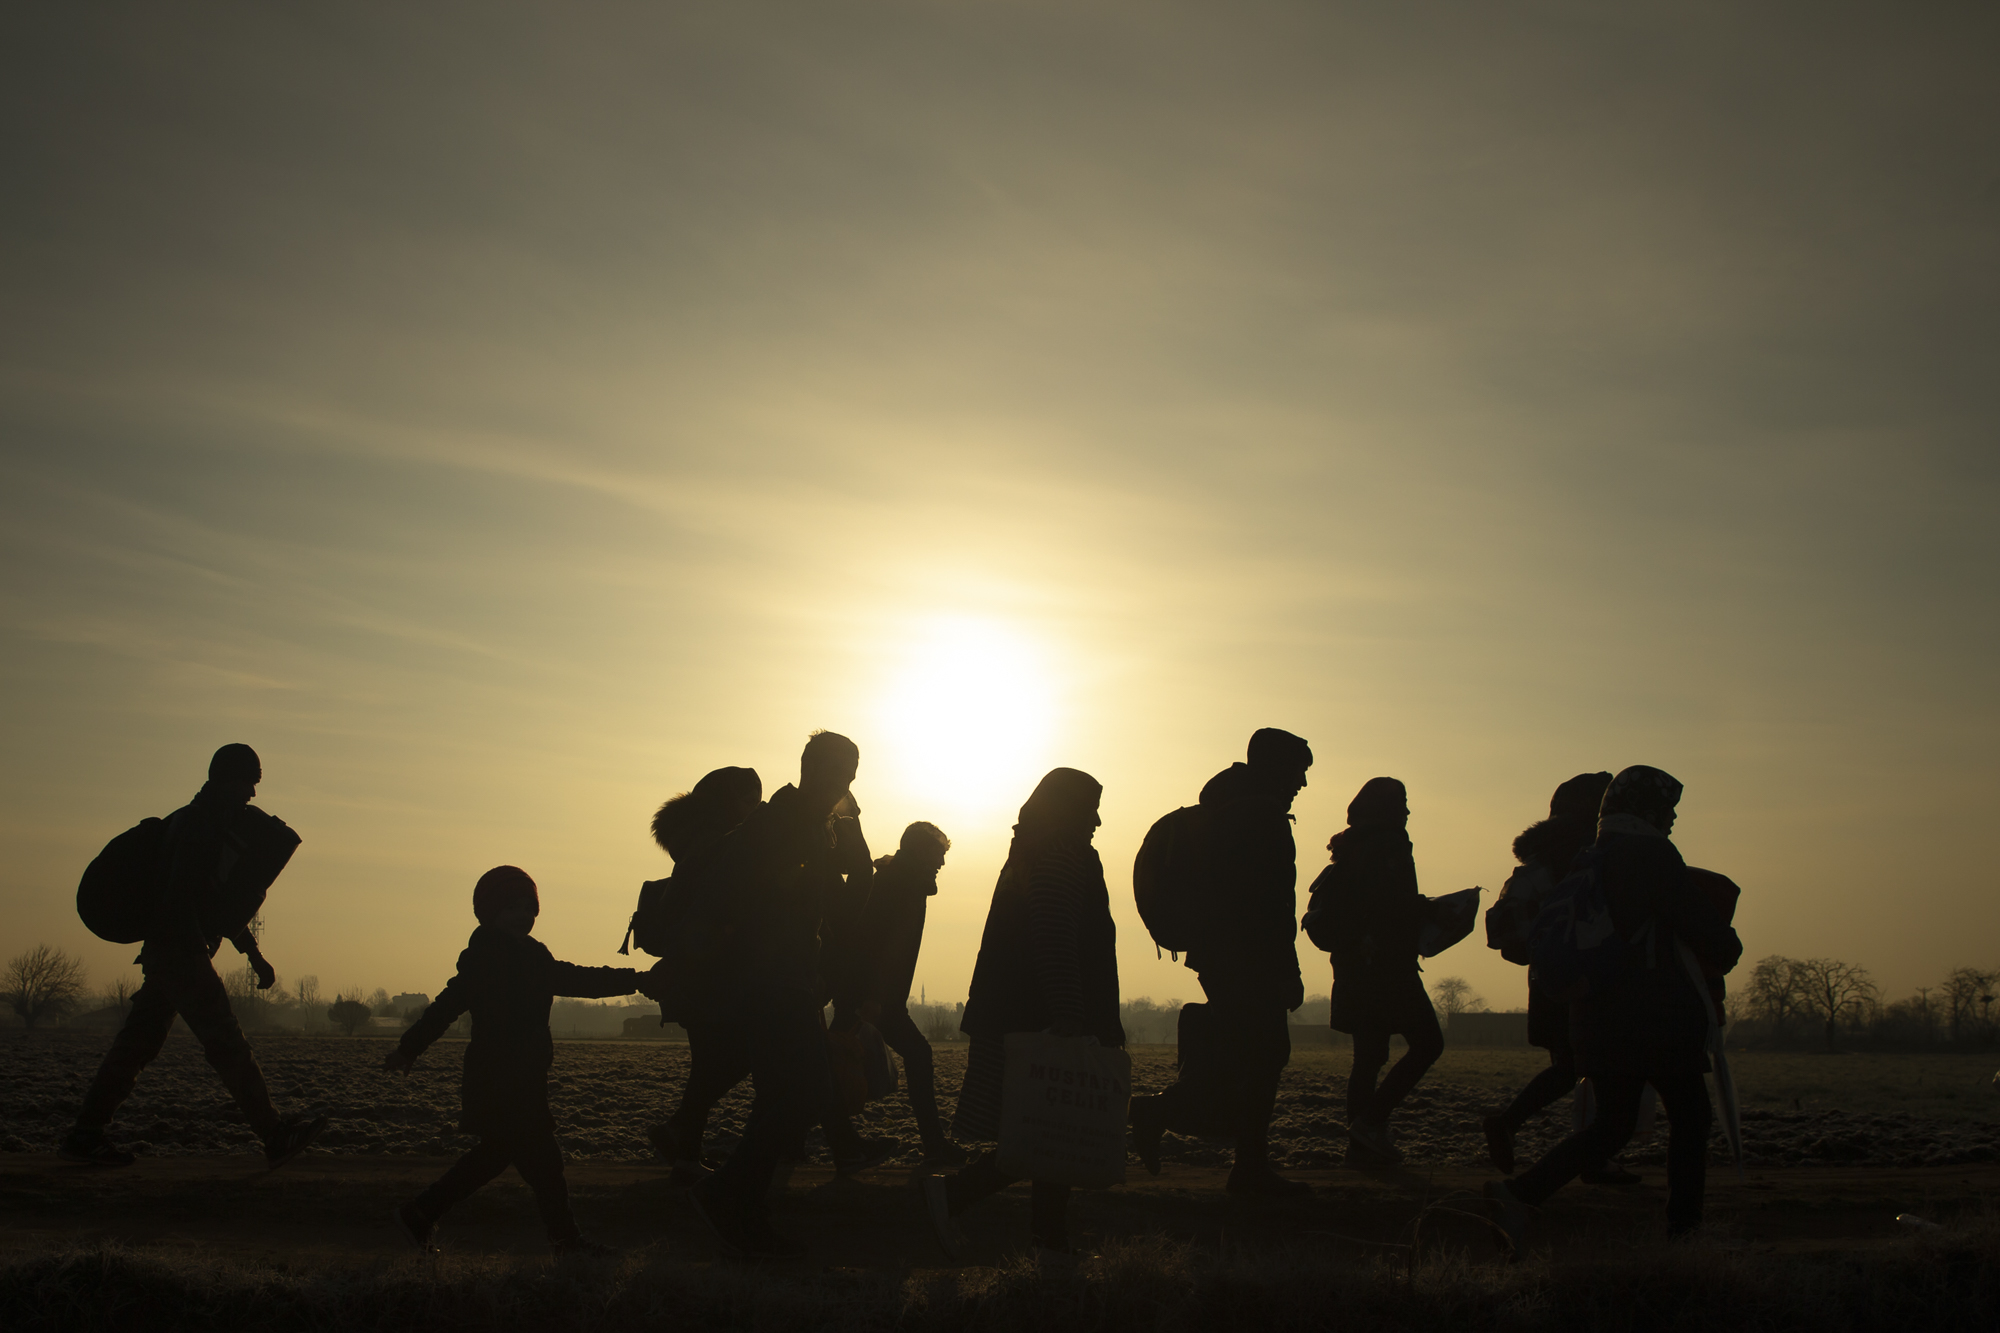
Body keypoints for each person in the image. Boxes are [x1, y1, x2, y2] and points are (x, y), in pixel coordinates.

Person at [1485, 766, 1741, 1246]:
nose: (1670, 819)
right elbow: (1707, 932)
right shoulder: (1651, 854)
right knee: (1691, 1119)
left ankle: (1519, 1193)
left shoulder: (1592, 856)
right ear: (1648, 810)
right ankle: (1685, 1230)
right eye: (1667, 809)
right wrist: (1725, 945)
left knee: (1612, 1124)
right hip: (1654, 1016)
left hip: (1594, 1014)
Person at [62, 744, 327, 1169]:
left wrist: (252, 955)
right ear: (228, 779)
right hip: (180, 953)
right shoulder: (199, 829)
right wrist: (195, 957)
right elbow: (184, 899)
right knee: (225, 1040)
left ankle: (85, 1134)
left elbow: (213, 905)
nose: (253, 795)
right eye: (249, 783)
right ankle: (274, 1134)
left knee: (137, 1045)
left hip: (173, 952)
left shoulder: (204, 825)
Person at [386, 865, 641, 1256]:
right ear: (490, 913)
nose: (524, 916)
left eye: (529, 909)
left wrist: (635, 980)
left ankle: (421, 1213)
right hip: (500, 1078)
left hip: (520, 1076)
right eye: (512, 908)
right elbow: (444, 1009)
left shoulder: (532, 957)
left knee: (500, 1157)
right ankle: (568, 1245)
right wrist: (408, 1048)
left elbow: (577, 979)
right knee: (541, 1163)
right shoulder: (484, 961)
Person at [922, 768, 1123, 1259]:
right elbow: (1054, 933)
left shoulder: (1035, 850)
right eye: (1088, 807)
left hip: (1025, 1010)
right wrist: (1071, 1012)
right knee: (1050, 1128)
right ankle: (966, 1202)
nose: (1097, 819)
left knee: (1047, 1130)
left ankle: (1045, 1238)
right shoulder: (1059, 853)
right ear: (1067, 809)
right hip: (1044, 1015)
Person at [685, 730, 862, 1260]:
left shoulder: (809, 822)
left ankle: (740, 1205)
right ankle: (726, 1196)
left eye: (853, 773)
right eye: (842, 772)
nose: (848, 783)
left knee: (789, 1094)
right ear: (814, 768)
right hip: (771, 981)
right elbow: (747, 898)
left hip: (787, 978)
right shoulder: (783, 821)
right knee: (802, 1092)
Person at [1129, 728, 1314, 1197]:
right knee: (1264, 1056)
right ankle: (1177, 1126)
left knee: (1249, 1058)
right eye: (1299, 771)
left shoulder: (1230, 810)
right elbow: (1269, 906)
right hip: (1247, 960)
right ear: (1274, 767)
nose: (1303, 783)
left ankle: (1238, 1158)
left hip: (1222, 956)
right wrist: (1286, 972)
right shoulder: (1260, 817)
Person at [1480, 772, 1640, 1185]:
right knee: (1602, 1074)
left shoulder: (1541, 862)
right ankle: (1586, 1154)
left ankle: (1569, 1146)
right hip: (1592, 981)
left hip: (1549, 979)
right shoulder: (1595, 853)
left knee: (1571, 1067)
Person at [1304, 776, 1442, 1166]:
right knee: (1429, 1044)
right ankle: (1370, 1124)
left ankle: (1359, 1147)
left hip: (1353, 966)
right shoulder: (1390, 845)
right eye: (1402, 803)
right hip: (1386, 968)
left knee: (1367, 1058)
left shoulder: (1350, 848)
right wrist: (1427, 909)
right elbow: (1389, 906)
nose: (1408, 812)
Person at [640, 766, 763, 1186]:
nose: (755, 809)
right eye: (749, 801)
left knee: (707, 1067)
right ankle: (679, 1132)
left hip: (692, 975)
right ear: (728, 803)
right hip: (710, 976)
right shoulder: (719, 847)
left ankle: (686, 1157)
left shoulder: (696, 845)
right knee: (735, 1059)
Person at [825, 821, 963, 1165]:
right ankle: (933, 1145)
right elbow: (877, 945)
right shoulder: (897, 885)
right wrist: (873, 997)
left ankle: (839, 1145)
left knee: (833, 1066)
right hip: (872, 998)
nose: (942, 863)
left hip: (873, 996)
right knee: (913, 1056)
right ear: (919, 852)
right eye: (938, 854)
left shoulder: (902, 881)